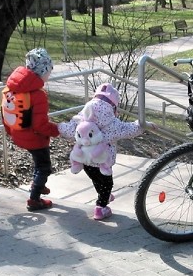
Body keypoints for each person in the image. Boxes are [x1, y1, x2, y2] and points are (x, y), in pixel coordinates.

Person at [59, 83, 144, 221]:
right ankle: (101, 207)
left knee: (97, 180)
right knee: (107, 182)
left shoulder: (83, 117)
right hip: (102, 161)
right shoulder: (112, 124)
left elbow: (69, 129)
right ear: (113, 106)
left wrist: (57, 127)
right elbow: (127, 129)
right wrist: (141, 126)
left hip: (85, 160)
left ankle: (104, 194)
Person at [1, 48, 61, 211]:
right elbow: (40, 125)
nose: (49, 75)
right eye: (49, 71)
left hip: (18, 133)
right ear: (42, 71)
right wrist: (57, 130)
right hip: (35, 138)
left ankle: (38, 185)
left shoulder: (11, 88)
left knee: (38, 163)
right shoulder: (38, 94)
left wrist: (10, 132)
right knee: (44, 167)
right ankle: (34, 199)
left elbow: (5, 113)